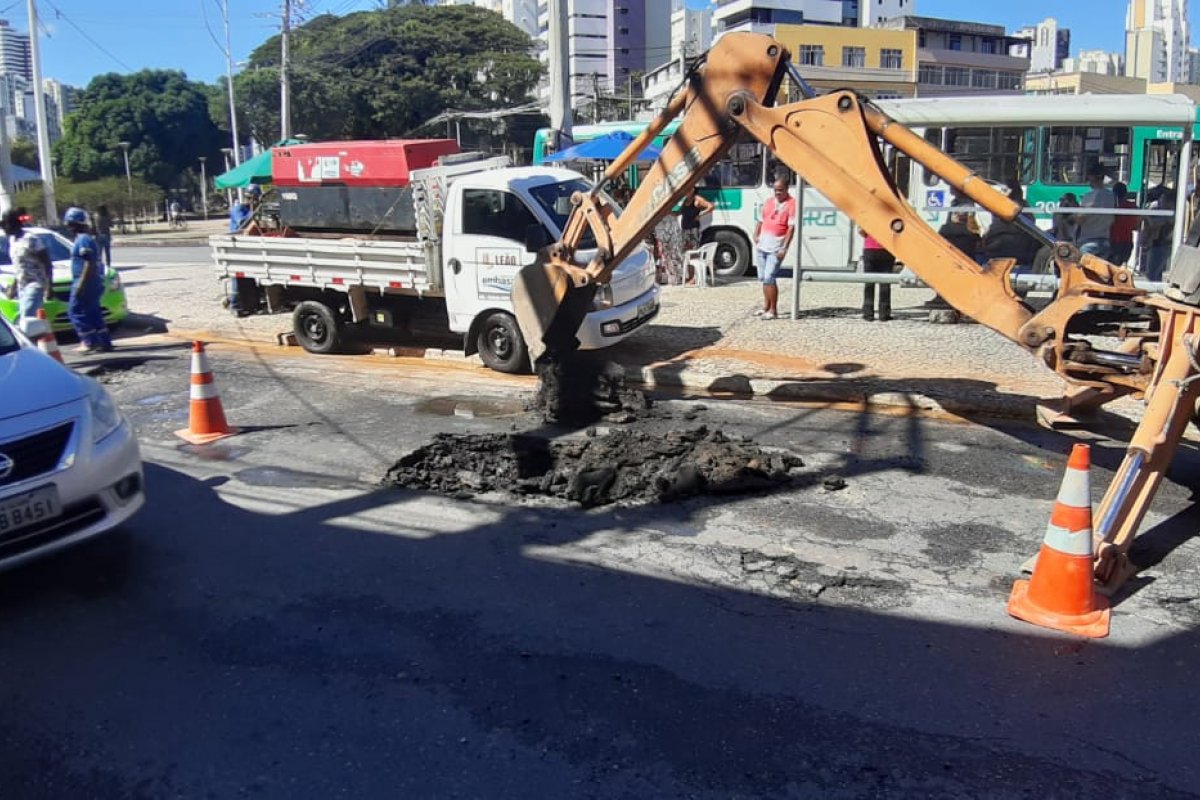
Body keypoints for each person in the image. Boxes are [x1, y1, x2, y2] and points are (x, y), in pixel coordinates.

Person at [63, 207, 113, 353]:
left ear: (77, 224)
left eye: (70, 224)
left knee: (75, 311)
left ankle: (89, 342)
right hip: (93, 281)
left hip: (85, 281)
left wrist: (81, 284)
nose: (68, 227)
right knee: (93, 312)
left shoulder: (83, 240)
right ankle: (104, 341)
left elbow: (88, 263)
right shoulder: (86, 239)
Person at [752, 178, 796, 320]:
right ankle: (766, 306)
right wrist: (756, 234)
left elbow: (791, 228)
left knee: (770, 276)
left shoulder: (791, 204)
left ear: (786, 189)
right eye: (775, 189)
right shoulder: (769, 202)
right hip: (762, 246)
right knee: (763, 278)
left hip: (776, 247)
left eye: (780, 190)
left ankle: (773, 310)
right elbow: (760, 220)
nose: (777, 192)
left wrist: (784, 248)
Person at [1, 207, 52, 321]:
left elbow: (47, 263)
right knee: (26, 320)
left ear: (14, 223)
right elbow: (19, 268)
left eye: (5, 224)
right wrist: (13, 289)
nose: (3, 227)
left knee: (28, 317)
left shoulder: (31, 239)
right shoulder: (12, 240)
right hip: (22, 287)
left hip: (35, 284)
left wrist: (49, 287)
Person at [675, 188, 715, 283]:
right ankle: (689, 276)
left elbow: (711, 206)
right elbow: (681, 212)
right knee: (686, 253)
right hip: (685, 229)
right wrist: (669, 213)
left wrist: (700, 215)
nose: (686, 191)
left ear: (692, 190)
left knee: (694, 252)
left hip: (693, 230)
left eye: (688, 189)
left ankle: (695, 277)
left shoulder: (697, 199)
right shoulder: (685, 200)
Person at [1076, 167, 1116, 259]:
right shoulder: (1111, 196)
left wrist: (1071, 216)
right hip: (1105, 241)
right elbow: (1112, 219)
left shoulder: (1089, 196)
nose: (1089, 182)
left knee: (1080, 271)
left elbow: (1081, 218)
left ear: (1093, 178)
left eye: (1089, 179)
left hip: (1089, 241)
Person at [1142, 184, 1176, 281]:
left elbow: (1156, 225)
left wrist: (1146, 216)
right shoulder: (1165, 213)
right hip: (1159, 244)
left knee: (1153, 273)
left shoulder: (1169, 214)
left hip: (1161, 245)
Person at [860, 229, 895, 322]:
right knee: (885, 282)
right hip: (887, 249)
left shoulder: (867, 216)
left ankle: (868, 313)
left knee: (869, 282)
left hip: (869, 249)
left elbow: (861, 231)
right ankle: (884, 313)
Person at [1107, 183, 1137, 266]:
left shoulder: (1112, 206)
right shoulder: (1133, 207)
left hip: (1113, 241)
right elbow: (1136, 225)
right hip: (1127, 241)